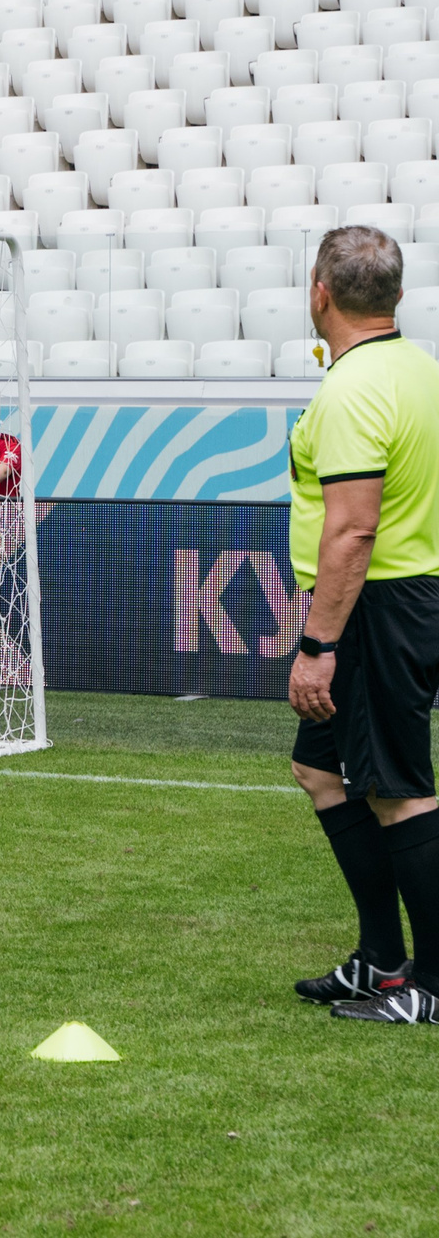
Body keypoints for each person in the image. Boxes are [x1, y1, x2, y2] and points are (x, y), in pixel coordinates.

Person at [280, 227, 439, 1024]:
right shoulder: (420, 369)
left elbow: (352, 531)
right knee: (321, 770)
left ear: (321, 291)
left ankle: (432, 986)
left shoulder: (351, 389)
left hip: (376, 605)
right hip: (403, 597)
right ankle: (381, 960)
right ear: (397, 296)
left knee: (399, 791)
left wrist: (318, 645)